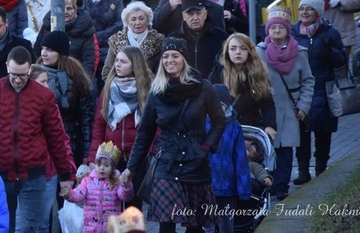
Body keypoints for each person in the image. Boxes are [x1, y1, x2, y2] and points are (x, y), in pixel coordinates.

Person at [121, 37, 226, 233]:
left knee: (195, 225)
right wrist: (130, 168)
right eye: (166, 56)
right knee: (166, 222)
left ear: (184, 59)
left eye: (175, 56)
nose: (169, 60)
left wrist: (205, 147)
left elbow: (220, 121)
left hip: (196, 161)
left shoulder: (203, 87)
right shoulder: (157, 91)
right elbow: (144, 133)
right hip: (165, 162)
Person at [0, 46, 76, 232]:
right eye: (14, 75)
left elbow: (56, 137)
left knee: (30, 228)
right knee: (1, 227)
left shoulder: (43, 96)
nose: (18, 80)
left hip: (33, 173)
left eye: (23, 75)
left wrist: (65, 175)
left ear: (30, 70)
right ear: (6, 68)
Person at [256, 7, 314, 201]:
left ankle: (281, 187)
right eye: (273, 28)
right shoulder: (259, 52)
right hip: (265, 108)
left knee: (286, 150)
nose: (277, 31)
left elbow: (308, 81)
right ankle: (267, 183)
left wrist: (303, 106)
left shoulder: (300, 53)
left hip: (290, 108)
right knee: (266, 149)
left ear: (288, 30)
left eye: (281, 27)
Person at [291, 0, 346, 184]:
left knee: (324, 131)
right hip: (300, 87)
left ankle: (322, 169)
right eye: (302, 8)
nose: (305, 12)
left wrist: (330, 51)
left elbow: (342, 61)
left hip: (324, 86)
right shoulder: (293, 32)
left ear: (318, 12)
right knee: (302, 131)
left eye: (309, 9)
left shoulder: (330, 33)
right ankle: (303, 171)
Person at [89, 46, 153, 183]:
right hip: (111, 157)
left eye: (123, 62)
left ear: (135, 65)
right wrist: (93, 156)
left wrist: (151, 152)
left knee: (134, 202)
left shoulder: (148, 90)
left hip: (139, 157)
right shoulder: (109, 88)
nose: (117, 64)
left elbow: (154, 126)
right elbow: (99, 124)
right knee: (111, 200)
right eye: (117, 60)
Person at [37, 31, 95, 165]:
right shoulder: (35, 74)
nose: (44, 53)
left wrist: (88, 153)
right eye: (43, 48)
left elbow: (87, 119)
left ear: (61, 53)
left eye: (50, 50)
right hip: (41, 142)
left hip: (71, 143)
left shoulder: (77, 78)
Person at [211, 33, 277, 138]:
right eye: (233, 48)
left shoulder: (258, 73)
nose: (238, 52)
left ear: (249, 51)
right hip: (226, 129)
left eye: (243, 48)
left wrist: (270, 125)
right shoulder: (218, 72)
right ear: (227, 52)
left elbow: (267, 103)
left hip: (252, 127)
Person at [207, 84, 251, 233]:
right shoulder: (202, 125)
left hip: (227, 186)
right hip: (206, 186)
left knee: (226, 226)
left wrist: (243, 189)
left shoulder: (233, 127)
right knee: (208, 225)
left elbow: (241, 160)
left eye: (222, 106)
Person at [65, 141, 135, 233]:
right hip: (91, 228)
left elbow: (125, 197)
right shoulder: (87, 181)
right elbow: (79, 194)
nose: (102, 168)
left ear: (113, 167)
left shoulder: (116, 182)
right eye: (99, 164)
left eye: (106, 165)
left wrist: (127, 186)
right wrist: (69, 194)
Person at [102, 2, 164, 81]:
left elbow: (161, 72)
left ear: (148, 20)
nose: (137, 23)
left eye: (141, 19)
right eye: (133, 19)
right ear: (127, 22)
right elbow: (107, 72)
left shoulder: (158, 40)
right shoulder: (116, 41)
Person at [80, 0, 123, 67]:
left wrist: (100, 36)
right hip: (84, 45)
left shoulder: (116, 0)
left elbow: (119, 24)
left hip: (109, 46)